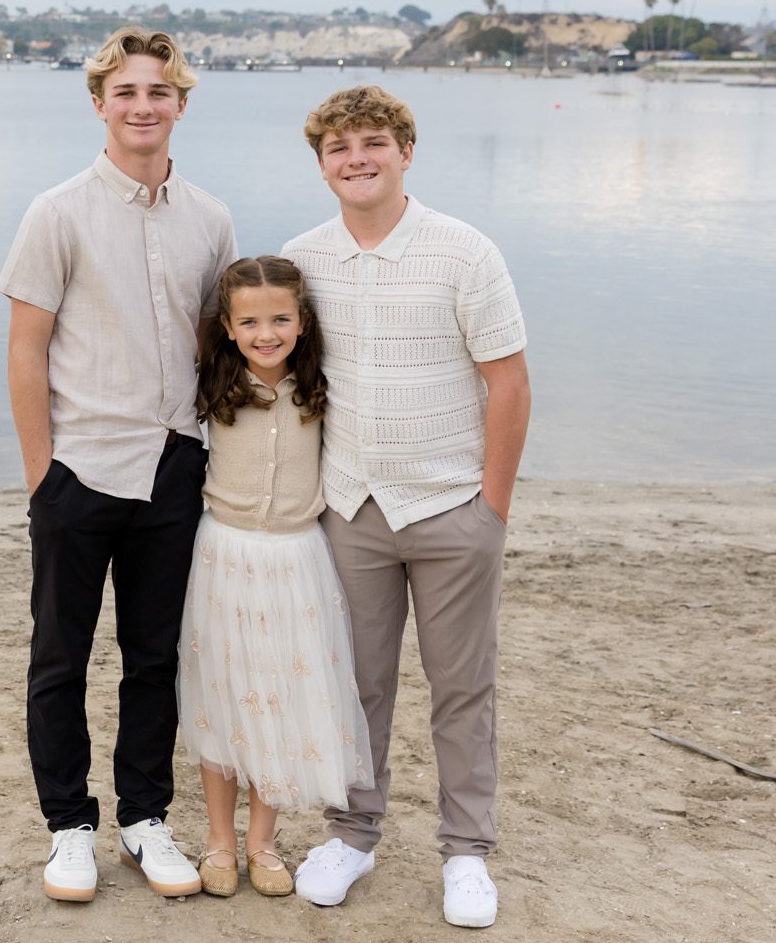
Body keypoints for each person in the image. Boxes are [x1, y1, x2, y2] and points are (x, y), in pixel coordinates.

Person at [282, 86, 532, 929]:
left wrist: (491, 507)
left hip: (454, 503)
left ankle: (466, 852)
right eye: (339, 147)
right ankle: (353, 834)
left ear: (406, 152)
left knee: (464, 688)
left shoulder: (465, 252)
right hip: (350, 508)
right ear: (321, 166)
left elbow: (509, 382)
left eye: (373, 142)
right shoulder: (302, 258)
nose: (357, 157)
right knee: (357, 687)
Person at [0, 26, 236, 904]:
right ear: (100, 103)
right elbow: (27, 351)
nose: (143, 106)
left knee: (155, 656)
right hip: (80, 469)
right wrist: (41, 476)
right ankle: (69, 826)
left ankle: (144, 817)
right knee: (58, 658)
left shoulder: (211, 218)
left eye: (159, 92)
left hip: (174, 467)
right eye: (127, 92)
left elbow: (215, 347)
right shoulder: (56, 211)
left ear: (180, 104)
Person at [178, 255, 373, 900]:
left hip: (296, 559)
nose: (267, 333)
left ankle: (261, 843)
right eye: (251, 322)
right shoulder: (215, 386)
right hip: (224, 556)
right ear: (229, 329)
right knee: (223, 699)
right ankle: (218, 843)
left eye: (281, 319)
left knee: (276, 700)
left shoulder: (318, 390)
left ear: (302, 322)